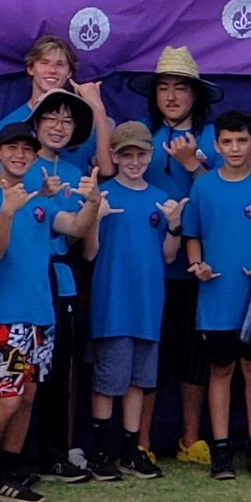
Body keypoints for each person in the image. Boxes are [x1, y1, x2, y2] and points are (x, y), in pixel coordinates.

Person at [0, 121, 99, 502]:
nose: (20, 155)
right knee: (4, 400)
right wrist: (6, 212)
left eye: (28, 149)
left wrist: (91, 203)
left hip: (42, 316)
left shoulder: (40, 202)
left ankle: (9, 472)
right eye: (13, 148)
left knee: (26, 398)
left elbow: (73, 227)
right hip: (2, 317)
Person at [82, 120, 185, 481]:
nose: (134, 161)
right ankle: (100, 450)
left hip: (148, 305)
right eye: (127, 155)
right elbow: (90, 253)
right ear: (114, 155)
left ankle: (130, 449)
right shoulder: (104, 195)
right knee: (109, 381)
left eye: (140, 154)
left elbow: (169, 256)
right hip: (113, 305)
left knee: (139, 381)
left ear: (150, 155)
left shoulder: (159, 196)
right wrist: (96, 217)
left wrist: (174, 225)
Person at [185, 108, 251, 479]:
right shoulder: (204, 186)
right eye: (227, 141)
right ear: (216, 145)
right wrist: (198, 266)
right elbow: (192, 235)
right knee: (221, 369)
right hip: (216, 298)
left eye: (242, 140)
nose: (235, 147)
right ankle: (222, 450)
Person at [143, 45, 216, 464]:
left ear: (195, 94)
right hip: (148, 265)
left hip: (197, 267)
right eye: (164, 88)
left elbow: (222, 191)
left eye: (180, 88)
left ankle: (190, 440)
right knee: (150, 355)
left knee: (194, 355)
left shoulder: (212, 138)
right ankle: (143, 441)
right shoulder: (142, 137)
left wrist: (193, 165)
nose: (171, 96)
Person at [27, 88, 99, 484]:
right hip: (21, 279)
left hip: (63, 277)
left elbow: (80, 241)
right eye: (50, 118)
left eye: (67, 120)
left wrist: (93, 208)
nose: (58, 126)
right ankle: (21, 454)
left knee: (59, 369)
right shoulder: (20, 163)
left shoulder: (77, 174)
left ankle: (55, 453)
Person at [0, 34, 109, 177]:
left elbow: (106, 170)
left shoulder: (79, 125)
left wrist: (98, 107)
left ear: (69, 73)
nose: (52, 70)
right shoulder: (8, 125)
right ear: (30, 68)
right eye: (44, 62)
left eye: (60, 64)